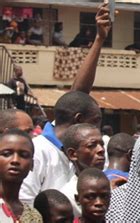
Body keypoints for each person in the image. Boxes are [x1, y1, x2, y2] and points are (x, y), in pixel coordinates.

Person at [19, 3, 111, 204]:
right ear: (78, 121)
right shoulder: (37, 152)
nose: (97, 131)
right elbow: (25, 205)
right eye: (94, 123)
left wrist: (100, 38)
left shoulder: (86, 154)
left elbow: (78, 96)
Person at [59, 124, 106, 217]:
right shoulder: (68, 196)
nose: (101, 150)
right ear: (73, 154)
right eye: (91, 145)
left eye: (102, 144)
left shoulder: (112, 185)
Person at [0, 129, 43, 222]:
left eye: (24, 155)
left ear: (32, 164)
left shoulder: (33, 217)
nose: (15, 160)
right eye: (6, 154)